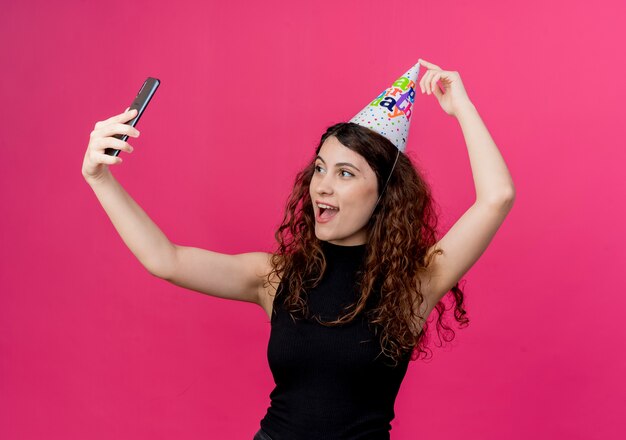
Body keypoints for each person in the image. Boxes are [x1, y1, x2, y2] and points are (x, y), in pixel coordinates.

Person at [82, 58, 515, 440]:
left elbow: (497, 197)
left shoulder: (414, 284)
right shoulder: (275, 277)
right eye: (321, 168)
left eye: (346, 174)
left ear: (384, 195)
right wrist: (100, 178)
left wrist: (462, 108)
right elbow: (166, 260)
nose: (323, 185)